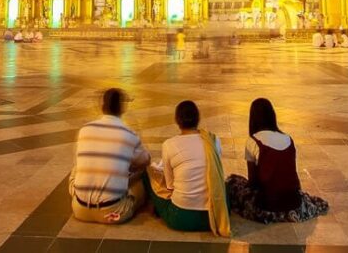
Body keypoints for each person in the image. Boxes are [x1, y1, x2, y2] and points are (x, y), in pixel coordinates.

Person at [226, 98, 329, 223]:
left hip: (267, 204)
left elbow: (253, 181)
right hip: (293, 201)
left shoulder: (253, 141)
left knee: (232, 183)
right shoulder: (288, 139)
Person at [147, 100, 230, 236]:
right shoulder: (214, 140)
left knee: (149, 176)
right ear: (198, 119)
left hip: (181, 217)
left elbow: (170, 185)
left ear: (177, 120)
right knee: (226, 184)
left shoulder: (169, 144)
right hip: (213, 215)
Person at [69, 88, 151, 224]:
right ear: (122, 108)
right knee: (142, 176)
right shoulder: (128, 134)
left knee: (76, 170)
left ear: (102, 107)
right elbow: (145, 160)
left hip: (79, 209)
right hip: (113, 212)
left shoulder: (85, 130)